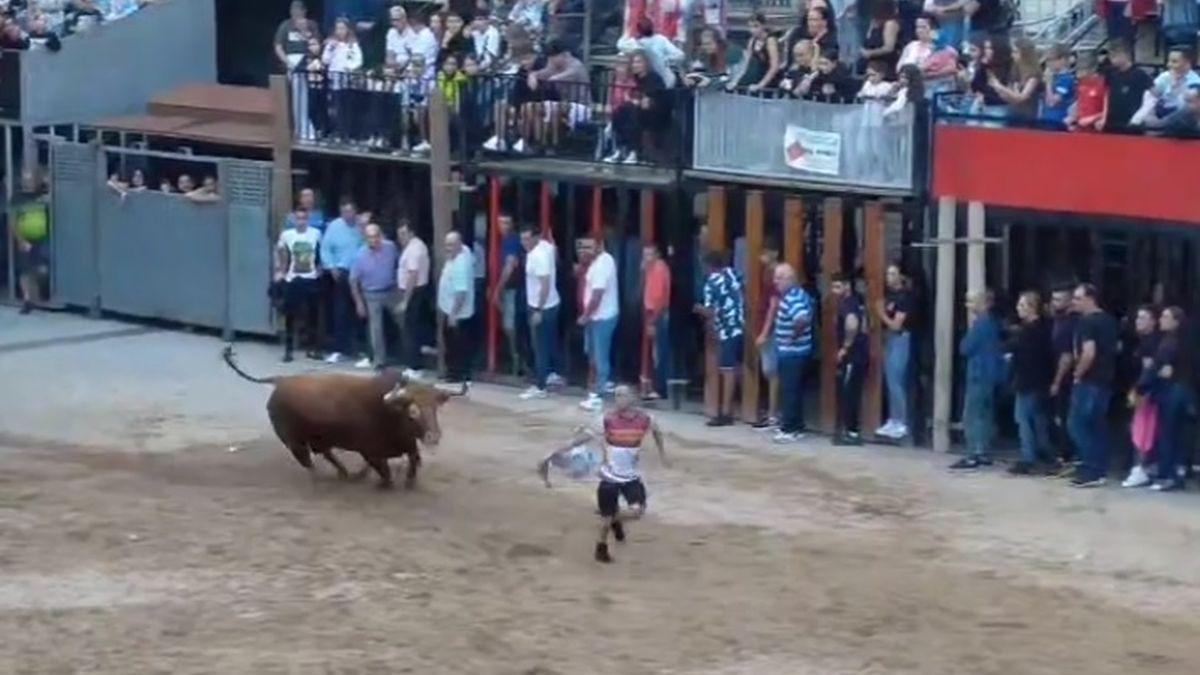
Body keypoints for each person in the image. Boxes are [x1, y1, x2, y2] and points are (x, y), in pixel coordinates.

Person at [590, 384, 669, 564]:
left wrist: (662, 453)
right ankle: (601, 547)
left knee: (635, 511)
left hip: (629, 476)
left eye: (622, 395)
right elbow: (590, 435)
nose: (618, 399)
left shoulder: (645, 419)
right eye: (616, 396)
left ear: (633, 397)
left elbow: (657, 431)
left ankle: (613, 520)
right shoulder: (606, 418)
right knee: (609, 517)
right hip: (610, 476)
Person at [1066, 283, 1118, 488]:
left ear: (1090, 299)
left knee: (1078, 424)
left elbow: (1089, 352)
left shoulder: (1087, 322)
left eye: (1078, 298)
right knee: (1097, 426)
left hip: (1090, 380)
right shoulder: (1109, 321)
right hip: (1105, 380)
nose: (1074, 302)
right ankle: (1099, 468)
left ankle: (1090, 468)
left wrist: (1078, 373)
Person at [950, 290, 1002, 470]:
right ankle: (984, 452)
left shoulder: (980, 325)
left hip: (978, 375)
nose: (968, 305)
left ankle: (974, 454)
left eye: (971, 302)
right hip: (990, 375)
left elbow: (965, 348)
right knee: (985, 415)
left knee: (972, 416)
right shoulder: (993, 324)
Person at [1008, 291, 1054, 475]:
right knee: (1038, 419)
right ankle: (1045, 452)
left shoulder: (1029, 331)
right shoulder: (1045, 328)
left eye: (1022, 305)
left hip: (1028, 381)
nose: (1018, 309)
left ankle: (1028, 457)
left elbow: (1025, 358)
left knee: (1024, 420)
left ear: (1032, 308)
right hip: (1040, 381)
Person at [1148, 306, 1192, 491]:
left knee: (1167, 434)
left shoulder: (1169, 343)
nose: (1161, 320)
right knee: (1177, 434)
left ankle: (1167, 475)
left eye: (1166, 317)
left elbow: (1158, 368)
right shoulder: (1184, 341)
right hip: (1183, 390)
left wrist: (1141, 387)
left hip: (1171, 391)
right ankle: (1177, 473)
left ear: (1176, 321)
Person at [771, 263, 815, 444]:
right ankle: (797, 426)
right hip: (799, 351)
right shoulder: (799, 294)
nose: (775, 282)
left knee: (789, 390)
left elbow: (802, 319)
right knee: (794, 390)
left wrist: (791, 337)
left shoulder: (792, 298)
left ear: (789, 279)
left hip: (792, 352)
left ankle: (788, 428)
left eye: (779, 278)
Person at [701, 250, 746, 427]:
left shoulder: (711, 283)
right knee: (738, 367)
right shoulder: (733, 273)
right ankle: (742, 405)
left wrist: (697, 309)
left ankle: (726, 412)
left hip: (727, 330)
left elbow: (710, 311)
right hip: (741, 325)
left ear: (708, 267)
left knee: (727, 370)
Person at [349, 223, 402, 370]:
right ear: (365, 239)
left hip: (391, 290)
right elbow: (353, 280)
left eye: (375, 236)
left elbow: (399, 265)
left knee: (403, 319)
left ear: (380, 236)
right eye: (369, 237)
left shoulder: (390, 247)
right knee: (376, 328)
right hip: (371, 294)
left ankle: (408, 356)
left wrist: (399, 286)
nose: (373, 240)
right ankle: (379, 361)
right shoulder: (360, 255)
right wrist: (359, 302)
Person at [519, 224, 563, 400]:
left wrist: (538, 309)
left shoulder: (538, 255)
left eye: (528, 239)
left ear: (536, 238)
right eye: (522, 239)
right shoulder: (547, 247)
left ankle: (540, 386)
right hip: (551, 303)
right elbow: (556, 254)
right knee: (550, 342)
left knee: (540, 347)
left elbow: (544, 284)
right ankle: (553, 374)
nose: (524, 243)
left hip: (542, 306)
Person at [1120, 304, 1161, 487]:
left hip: (1146, 394)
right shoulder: (1146, 341)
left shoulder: (1150, 343)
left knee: (1141, 432)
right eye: (1137, 318)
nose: (1138, 322)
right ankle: (1147, 466)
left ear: (1154, 321)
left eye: (1143, 318)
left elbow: (1148, 371)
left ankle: (1140, 468)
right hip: (1146, 391)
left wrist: (1139, 390)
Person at [320, 200, 365, 364]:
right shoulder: (334, 226)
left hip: (360, 273)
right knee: (340, 312)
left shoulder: (362, 225)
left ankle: (361, 350)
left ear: (355, 212)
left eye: (350, 212)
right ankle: (339, 349)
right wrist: (331, 267)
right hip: (342, 272)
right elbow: (325, 248)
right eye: (344, 212)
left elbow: (370, 243)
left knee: (360, 312)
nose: (347, 215)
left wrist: (363, 227)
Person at [275, 209, 323, 363]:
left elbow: (322, 253)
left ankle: (313, 348)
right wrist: (281, 271)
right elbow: (281, 252)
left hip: (311, 277)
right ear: (294, 220)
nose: (301, 221)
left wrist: (320, 269)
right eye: (298, 218)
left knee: (313, 316)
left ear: (307, 220)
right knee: (290, 316)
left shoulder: (315, 233)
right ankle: (288, 350)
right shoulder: (287, 235)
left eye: (303, 218)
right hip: (293, 278)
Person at [577, 238, 619, 411]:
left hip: (601, 317)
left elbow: (597, 295)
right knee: (594, 354)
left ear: (600, 245)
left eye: (589, 247)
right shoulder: (599, 261)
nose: (585, 250)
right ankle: (599, 388)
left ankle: (598, 396)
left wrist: (586, 316)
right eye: (583, 247)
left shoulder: (602, 264)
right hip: (598, 317)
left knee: (599, 357)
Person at [876, 262, 912, 440]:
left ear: (900, 276)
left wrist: (881, 314)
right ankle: (893, 419)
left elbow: (897, 325)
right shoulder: (890, 295)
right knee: (890, 380)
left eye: (892, 274)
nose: (888, 278)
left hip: (900, 339)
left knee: (896, 381)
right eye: (887, 274)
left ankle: (902, 422)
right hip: (889, 339)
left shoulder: (904, 297)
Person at [832, 273, 868, 446]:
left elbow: (852, 324)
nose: (834, 291)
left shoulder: (848, 304)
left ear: (847, 286)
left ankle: (852, 432)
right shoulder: (857, 302)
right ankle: (850, 430)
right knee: (851, 391)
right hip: (859, 353)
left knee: (849, 393)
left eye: (838, 286)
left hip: (853, 355)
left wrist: (845, 348)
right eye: (833, 287)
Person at [751, 243, 782, 429]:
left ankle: (772, 415)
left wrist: (765, 332)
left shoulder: (774, 275)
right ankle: (770, 413)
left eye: (764, 252)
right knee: (768, 371)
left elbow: (774, 305)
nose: (760, 257)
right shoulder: (766, 273)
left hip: (770, 330)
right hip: (764, 326)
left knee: (772, 372)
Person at [437, 231, 475, 384]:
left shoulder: (460, 264)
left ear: (459, 244)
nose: (448, 247)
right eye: (446, 244)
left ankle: (457, 375)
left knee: (456, 345)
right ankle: (456, 372)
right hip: (452, 309)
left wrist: (453, 314)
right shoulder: (463, 251)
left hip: (457, 312)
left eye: (451, 245)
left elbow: (461, 292)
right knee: (454, 343)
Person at [1047, 286, 1078, 473]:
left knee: (1064, 418)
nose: (1055, 303)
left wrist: (1057, 381)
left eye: (1059, 299)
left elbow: (1067, 356)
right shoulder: (1058, 321)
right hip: (1060, 375)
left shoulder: (1070, 323)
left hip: (1066, 379)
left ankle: (1067, 456)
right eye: (1053, 299)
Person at [396, 220, 432, 376]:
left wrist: (405, 300)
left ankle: (415, 366)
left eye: (404, 234)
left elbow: (413, 273)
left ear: (411, 233)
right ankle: (414, 364)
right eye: (399, 234)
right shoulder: (416, 246)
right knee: (412, 329)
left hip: (414, 291)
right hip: (416, 290)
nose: (401, 237)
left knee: (411, 330)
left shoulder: (414, 249)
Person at [491, 215, 525, 375]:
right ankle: (516, 357)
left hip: (512, 289)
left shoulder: (511, 240)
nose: (503, 226)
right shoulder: (502, 241)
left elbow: (509, 265)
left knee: (509, 325)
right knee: (507, 324)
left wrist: (498, 288)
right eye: (500, 222)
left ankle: (517, 359)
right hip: (507, 288)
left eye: (506, 222)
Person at [642, 243, 671, 400]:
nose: (646, 258)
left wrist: (652, 321)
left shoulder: (658, 269)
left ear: (657, 255)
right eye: (645, 255)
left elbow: (659, 298)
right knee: (657, 351)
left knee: (659, 352)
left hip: (657, 314)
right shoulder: (652, 268)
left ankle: (660, 388)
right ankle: (657, 386)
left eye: (649, 254)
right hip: (655, 313)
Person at [275, 1, 319, 73]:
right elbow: (278, 47)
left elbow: (316, 46)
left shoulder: (312, 25)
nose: (295, 12)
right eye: (293, 10)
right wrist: (287, 62)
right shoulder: (285, 25)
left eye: (298, 10)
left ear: (304, 11)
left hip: (308, 60)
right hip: (290, 59)